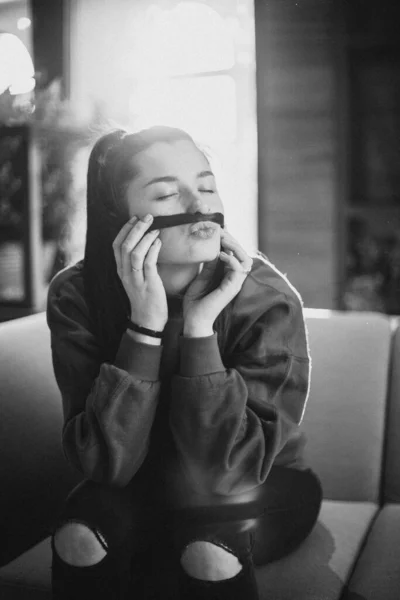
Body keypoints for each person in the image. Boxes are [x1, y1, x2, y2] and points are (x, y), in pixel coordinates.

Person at [47, 126, 322, 600]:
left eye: (207, 185)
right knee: (78, 537)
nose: (200, 206)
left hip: (260, 482)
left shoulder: (267, 300)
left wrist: (199, 331)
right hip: (140, 480)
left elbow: (224, 474)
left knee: (207, 550)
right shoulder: (76, 295)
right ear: (121, 217)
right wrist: (145, 327)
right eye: (169, 194)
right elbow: (104, 464)